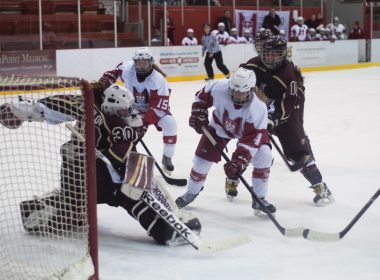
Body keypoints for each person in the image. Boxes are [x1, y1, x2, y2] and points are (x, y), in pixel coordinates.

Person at [0, 83, 201, 246]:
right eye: (123, 109)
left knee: (73, 205)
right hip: (105, 181)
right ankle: (168, 228)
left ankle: (48, 209)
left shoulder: (86, 102)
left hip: (75, 178)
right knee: (141, 186)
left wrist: (19, 110)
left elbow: (48, 106)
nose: (127, 112)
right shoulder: (119, 126)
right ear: (109, 107)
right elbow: (127, 163)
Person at [240, 35, 334, 206]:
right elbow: (240, 77)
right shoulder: (254, 64)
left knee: (297, 152)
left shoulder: (288, 74)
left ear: (283, 54)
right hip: (261, 110)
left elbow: (290, 103)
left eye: (275, 54)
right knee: (248, 143)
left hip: (288, 113)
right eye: (267, 53)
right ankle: (233, 178)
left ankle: (320, 186)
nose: (270, 58)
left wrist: (274, 118)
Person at [175, 68, 276, 215]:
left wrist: (240, 160)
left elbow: (251, 139)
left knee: (265, 155)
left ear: (251, 89)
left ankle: (259, 198)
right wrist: (199, 112)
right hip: (219, 128)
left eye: (242, 92)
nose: (237, 95)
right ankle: (192, 192)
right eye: (234, 90)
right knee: (200, 161)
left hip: (247, 134)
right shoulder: (219, 87)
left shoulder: (258, 108)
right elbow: (201, 97)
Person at [98, 47, 178, 173]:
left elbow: (158, 105)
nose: (141, 66)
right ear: (134, 62)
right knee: (128, 134)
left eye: (145, 62)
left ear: (151, 62)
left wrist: (144, 122)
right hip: (131, 108)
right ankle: (126, 158)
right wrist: (109, 76)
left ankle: (167, 157)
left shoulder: (158, 80)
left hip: (153, 110)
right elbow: (116, 72)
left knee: (170, 124)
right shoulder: (129, 69)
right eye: (139, 62)